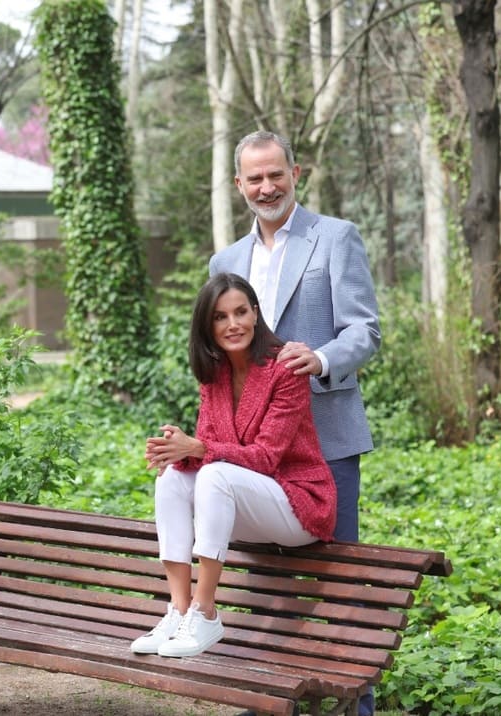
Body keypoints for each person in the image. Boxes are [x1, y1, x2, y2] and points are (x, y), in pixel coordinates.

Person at [212, 131, 380, 716]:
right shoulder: (225, 261)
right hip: (256, 449)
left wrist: (324, 357)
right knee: (266, 586)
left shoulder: (335, 238)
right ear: (239, 185)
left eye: (275, 174)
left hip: (328, 439)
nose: (266, 187)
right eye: (254, 178)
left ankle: (355, 707)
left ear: (295, 172)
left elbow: (365, 330)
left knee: (342, 583)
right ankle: (268, 701)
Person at [131, 272, 336, 660]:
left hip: (297, 504)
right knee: (173, 480)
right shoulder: (215, 374)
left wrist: (197, 447)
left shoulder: (285, 368)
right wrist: (178, 452)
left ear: (256, 314)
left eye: (241, 312)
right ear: (208, 326)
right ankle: (177, 609)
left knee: (213, 472)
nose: (233, 324)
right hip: (242, 503)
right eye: (221, 317)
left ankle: (204, 611)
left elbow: (265, 457)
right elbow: (214, 447)